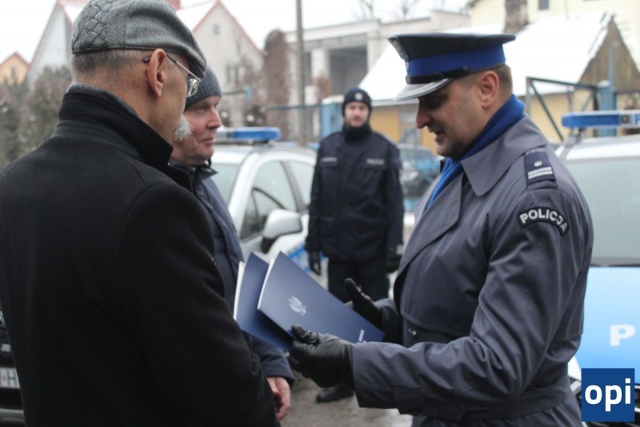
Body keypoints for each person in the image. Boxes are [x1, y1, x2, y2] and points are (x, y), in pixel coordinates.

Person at [288, 32, 594, 426]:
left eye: (433, 101)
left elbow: (496, 365)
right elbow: (459, 307)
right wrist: (388, 321)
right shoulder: (464, 168)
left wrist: (355, 364)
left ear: (487, 89)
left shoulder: (534, 198)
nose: (419, 119)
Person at [0, 1, 279, 425]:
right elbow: (227, 394)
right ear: (159, 71)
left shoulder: (13, 184)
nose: (186, 100)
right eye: (189, 82)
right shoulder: (151, 203)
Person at [169, 66, 294, 420]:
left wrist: (270, 359)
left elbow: (240, 286)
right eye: (200, 109)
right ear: (168, 114)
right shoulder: (157, 200)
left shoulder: (205, 183)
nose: (217, 121)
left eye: (217, 106)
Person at [304, 86, 405, 403]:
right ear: (344, 112)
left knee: (376, 316)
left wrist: (395, 247)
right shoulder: (328, 147)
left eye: (362, 108)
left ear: (368, 113)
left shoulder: (384, 149)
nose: (357, 112)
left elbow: (395, 203)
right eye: (352, 108)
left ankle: (380, 378)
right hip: (339, 252)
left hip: (373, 252)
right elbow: (317, 199)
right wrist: (312, 243)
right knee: (338, 317)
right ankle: (344, 381)